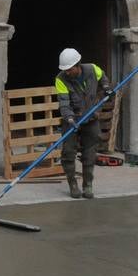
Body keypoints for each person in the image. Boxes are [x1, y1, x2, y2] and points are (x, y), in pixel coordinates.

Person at [55, 47, 113, 200]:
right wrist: (69, 119)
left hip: (91, 117)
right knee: (68, 153)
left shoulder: (93, 69)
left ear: (78, 65)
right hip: (72, 119)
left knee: (89, 154)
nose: (67, 72)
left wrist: (107, 88)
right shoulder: (61, 79)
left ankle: (88, 185)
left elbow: (104, 79)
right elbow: (64, 103)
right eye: (65, 70)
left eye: (69, 69)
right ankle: (73, 184)